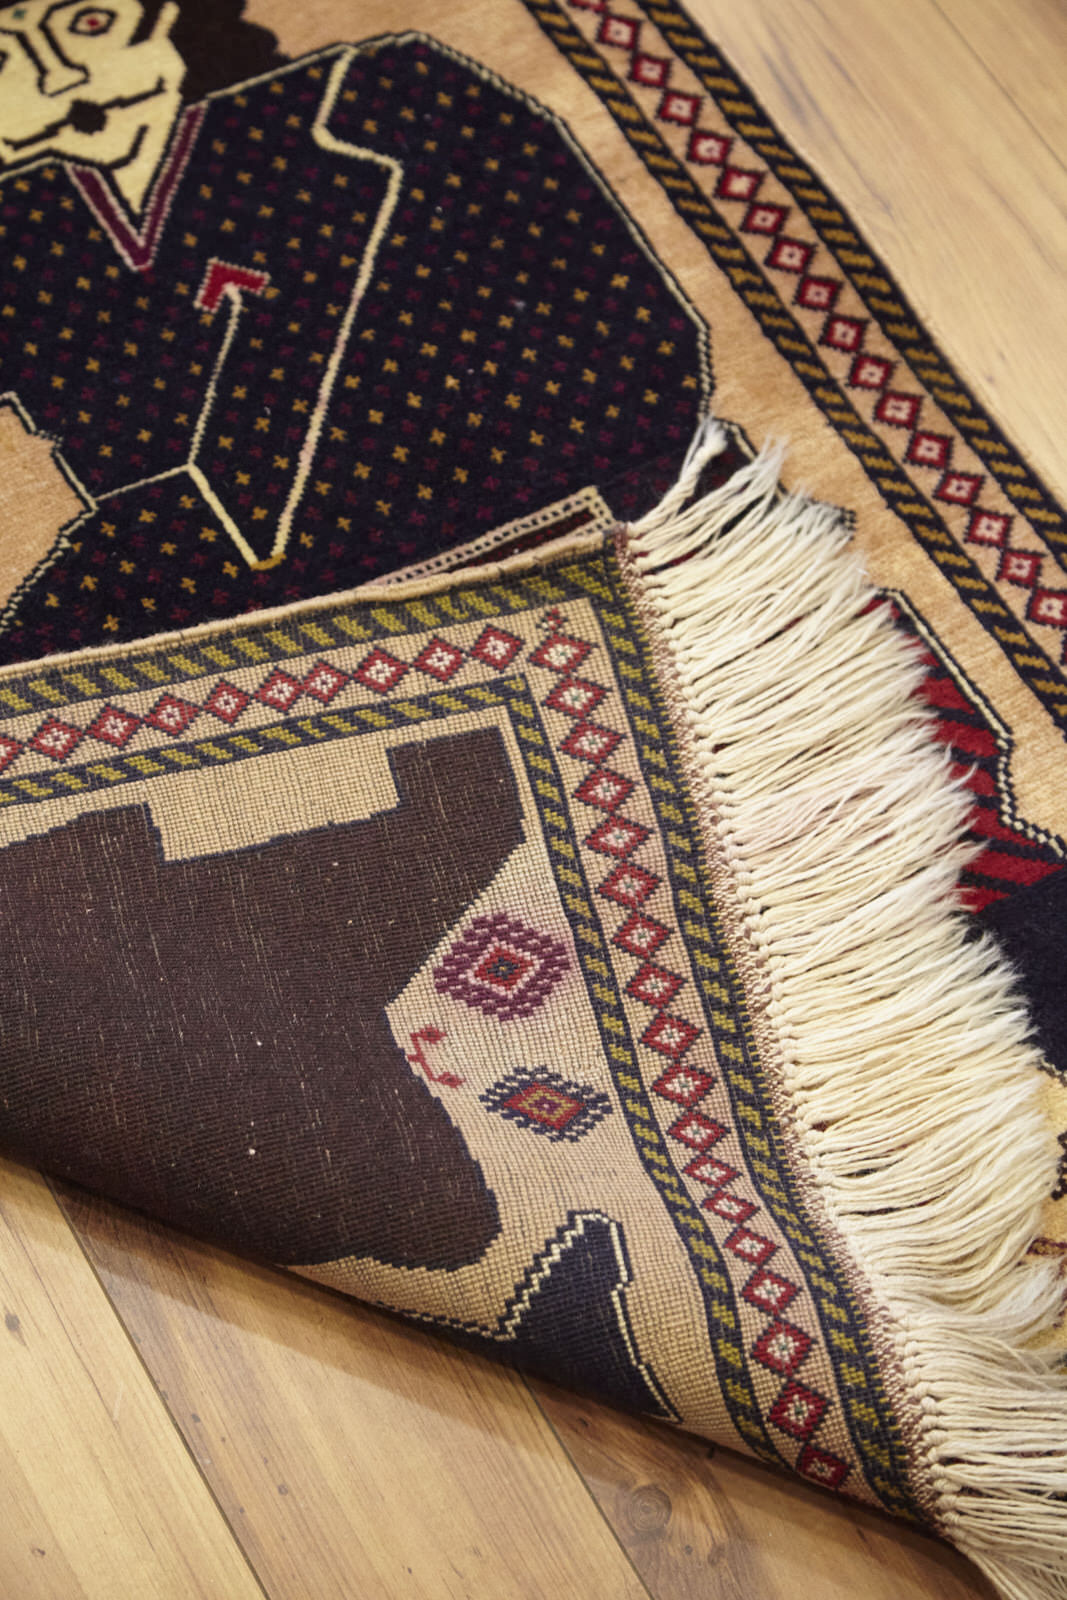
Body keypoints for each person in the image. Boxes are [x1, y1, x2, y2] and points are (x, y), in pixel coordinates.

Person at [0, 1, 709, 660]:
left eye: (89, 23)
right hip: (205, 588)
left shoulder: (383, 100)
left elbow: (639, 353)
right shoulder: (26, 225)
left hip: (544, 519)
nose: (58, 78)